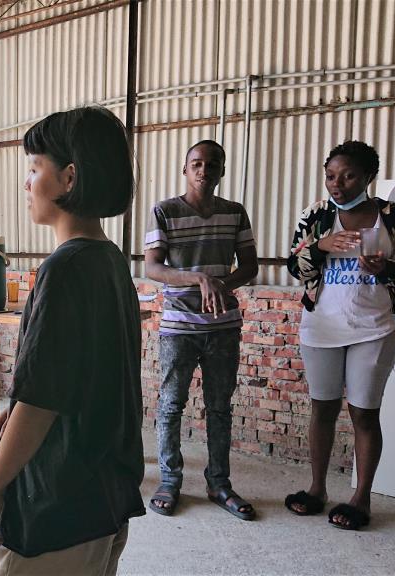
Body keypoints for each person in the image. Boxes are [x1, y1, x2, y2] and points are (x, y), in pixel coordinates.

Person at [0, 107, 145, 576]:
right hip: (103, 496)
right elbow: (81, 375)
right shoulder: (109, 262)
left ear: (69, 178)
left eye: (34, 169)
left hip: (59, 507)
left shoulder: (64, 270)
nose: (27, 184)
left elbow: (43, 402)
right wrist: (19, 405)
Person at [284, 140, 395, 530]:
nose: (337, 184)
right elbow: (294, 268)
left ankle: (361, 499)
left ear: (367, 176)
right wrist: (321, 246)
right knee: (323, 409)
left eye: (348, 176)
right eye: (331, 176)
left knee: (364, 413)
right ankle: (316, 490)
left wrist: (385, 268)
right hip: (321, 328)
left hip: (373, 328)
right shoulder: (315, 216)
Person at [143, 140, 259, 520]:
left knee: (220, 407)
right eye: (196, 163)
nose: (203, 170)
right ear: (185, 168)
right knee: (171, 405)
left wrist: (222, 284)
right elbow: (153, 269)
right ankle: (169, 481)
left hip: (223, 326)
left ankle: (219, 484)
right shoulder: (165, 211)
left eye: (212, 164)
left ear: (222, 171)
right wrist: (200, 278)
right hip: (179, 327)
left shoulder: (235, 213)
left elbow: (250, 266)